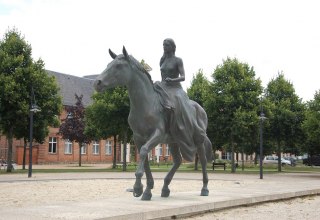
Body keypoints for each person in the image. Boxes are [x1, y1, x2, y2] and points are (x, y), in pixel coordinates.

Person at [154, 38, 205, 161]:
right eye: (163, 45)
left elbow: (183, 77)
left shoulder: (178, 60)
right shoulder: (162, 60)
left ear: (172, 47)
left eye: (166, 45)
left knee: (177, 102)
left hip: (175, 88)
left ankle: (181, 126)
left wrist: (173, 80)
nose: (164, 47)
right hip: (164, 86)